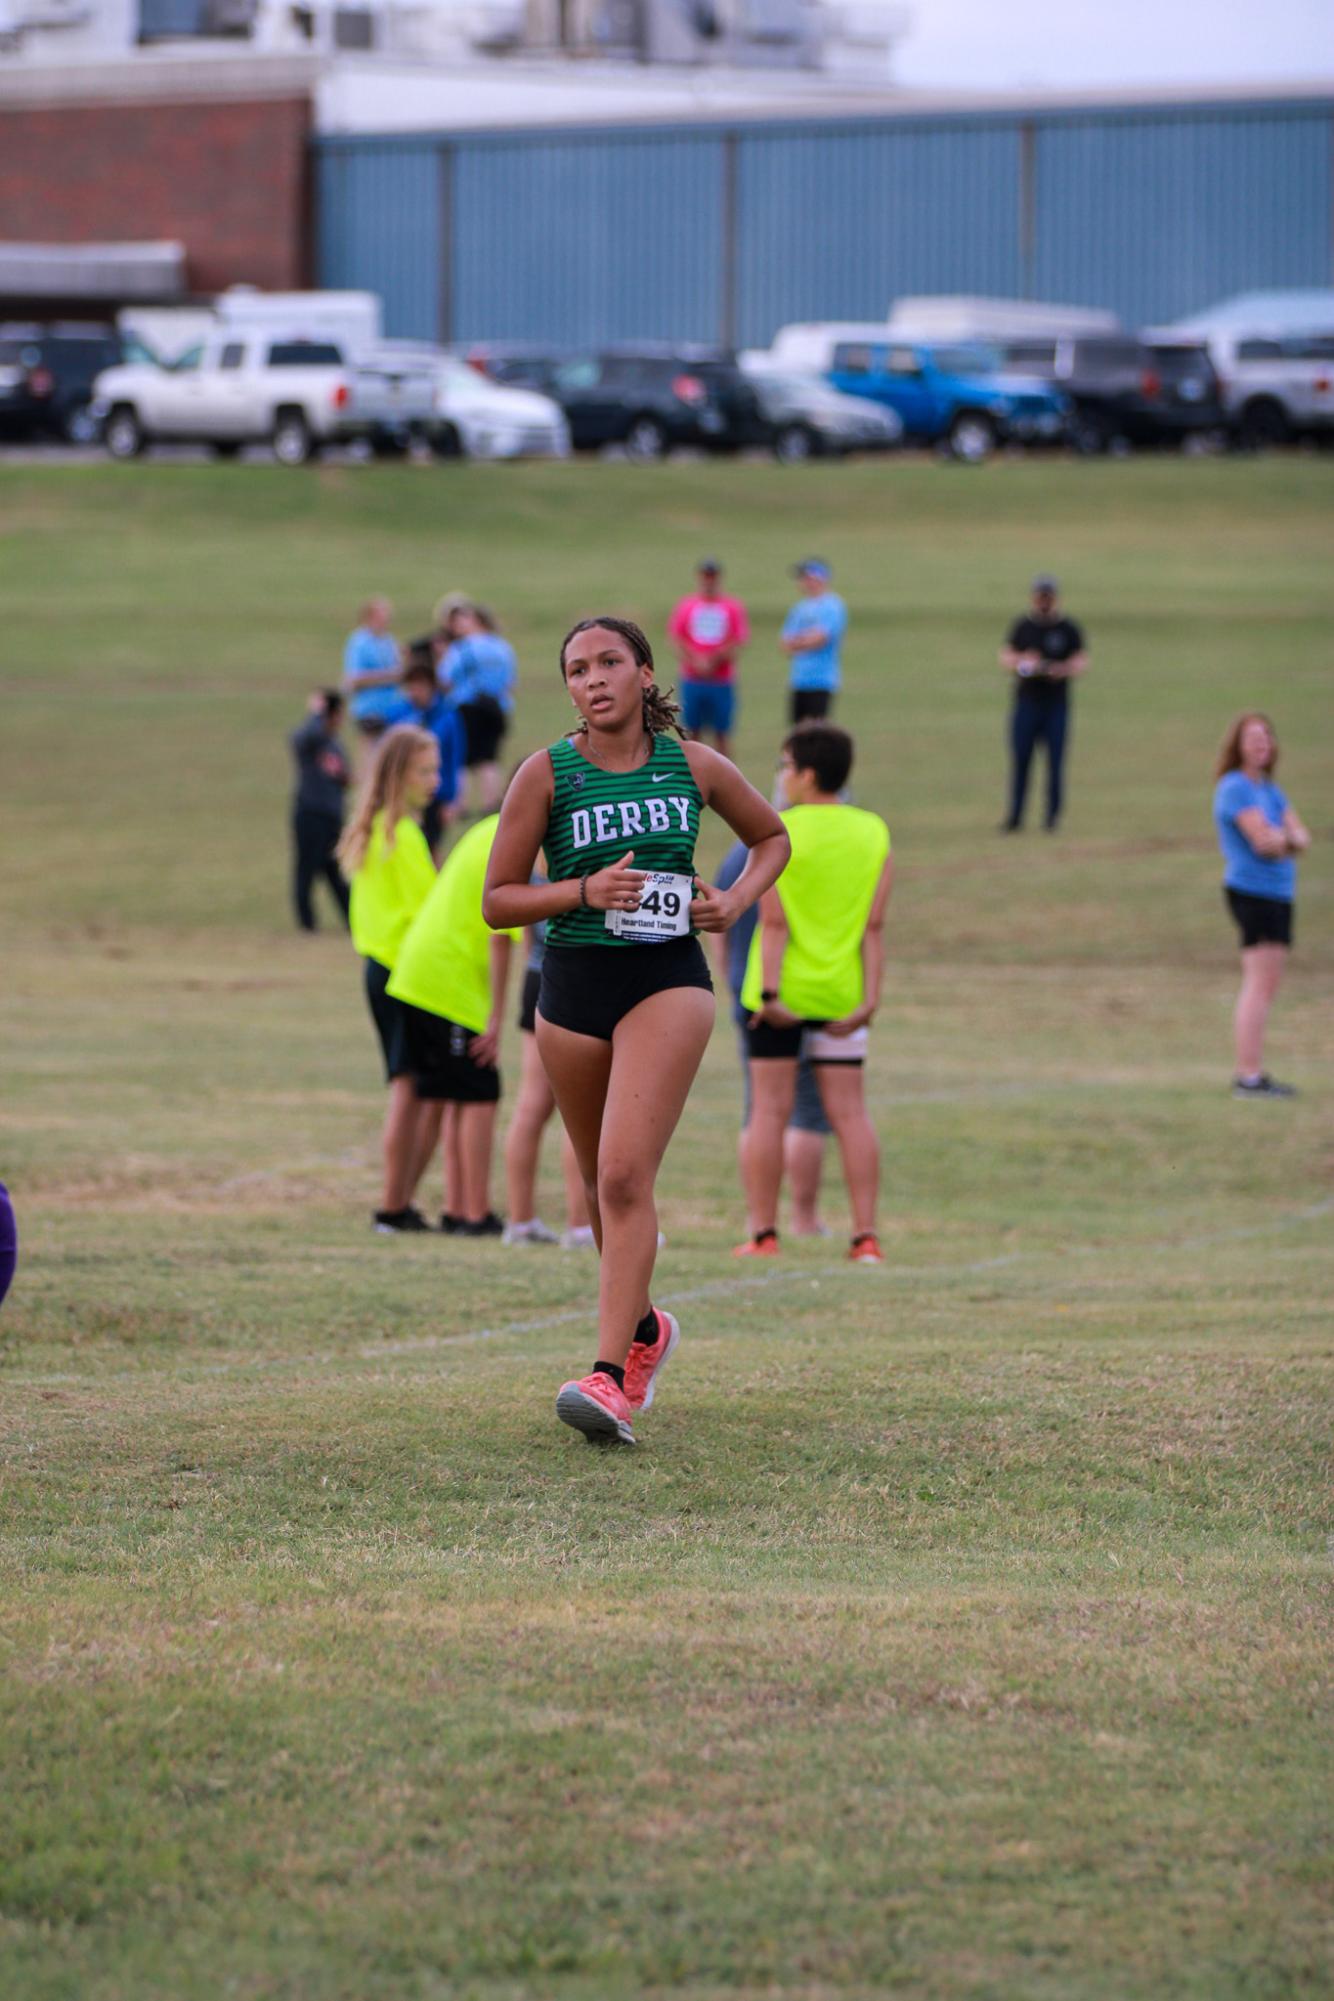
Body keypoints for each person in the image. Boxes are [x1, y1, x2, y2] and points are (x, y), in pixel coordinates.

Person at [482, 615, 790, 1447]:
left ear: (645, 672)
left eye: (610, 662)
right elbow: (498, 900)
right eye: (577, 669)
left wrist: (736, 900)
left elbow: (772, 837)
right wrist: (581, 892)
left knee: (623, 1177)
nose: (594, 679)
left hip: (666, 978)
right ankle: (645, 1330)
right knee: (596, 1187)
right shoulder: (544, 774)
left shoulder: (692, 764)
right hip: (571, 988)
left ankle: (610, 1379)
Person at [737, 723, 892, 1265]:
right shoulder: (873, 831)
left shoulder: (779, 829)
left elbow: (773, 923)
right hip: (842, 993)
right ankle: (865, 1236)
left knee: (768, 1112)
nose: (780, 777)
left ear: (806, 774)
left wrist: (772, 994)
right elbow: (874, 927)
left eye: (784, 766)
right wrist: (870, 999)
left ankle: (763, 1234)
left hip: (783, 993)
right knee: (850, 1114)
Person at [388, 813, 522, 1235]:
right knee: (479, 1092)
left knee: (459, 1093)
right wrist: (496, 1018)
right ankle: (474, 1214)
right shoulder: (510, 842)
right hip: (447, 981)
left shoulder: (491, 830)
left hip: (427, 973)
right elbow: (499, 936)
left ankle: (458, 1207)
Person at [336, 725, 441, 1234]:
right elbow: (431, 913)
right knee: (409, 1086)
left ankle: (399, 1202)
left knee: (411, 1085)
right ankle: (393, 1205)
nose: (435, 780)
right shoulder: (403, 835)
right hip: (405, 972)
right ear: (399, 775)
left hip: (380, 970)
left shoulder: (372, 827)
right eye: (425, 771)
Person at [713, 834, 831, 1239]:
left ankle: (760, 1221)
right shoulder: (798, 846)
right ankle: (804, 1218)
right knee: (807, 1111)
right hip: (805, 993)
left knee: (761, 1109)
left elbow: (717, 919)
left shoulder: (736, 855)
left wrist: (729, 974)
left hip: (748, 991)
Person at [1213, 712, 1310, 1098]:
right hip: (1252, 892)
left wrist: (1286, 838)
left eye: (1266, 737)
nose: (1261, 744)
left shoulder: (1270, 790)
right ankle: (1247, 1076)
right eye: (1252, 738)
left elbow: (1302, 837)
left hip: (1279, 892)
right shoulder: (1235, 787)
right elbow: (1264, 844)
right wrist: (1287, 839)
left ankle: (1253, 1072)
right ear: (1238, 745)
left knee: (1268, 986)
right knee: (1258, 984)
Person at [502, 918, 593, 1247]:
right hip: (574, 976)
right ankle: (583, 1225)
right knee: (585, 1104)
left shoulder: (531, 865)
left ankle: (521, 1221)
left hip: (538, 973)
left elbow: (527, 928)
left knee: (532, 1105)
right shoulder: (580, 865)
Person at [998, 573, 1088, 832]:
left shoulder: (1067, 628)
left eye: (1048, 596)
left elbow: (1081, 661)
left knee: (1055, 762)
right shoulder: (1023, 627)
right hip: (1027, 704)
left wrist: (1061, 669)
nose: (1044, 601)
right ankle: (1015, 817)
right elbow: (1006, 657)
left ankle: (1052, 817)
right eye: (1040, 596)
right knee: (1021, 760)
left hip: (1056, 705)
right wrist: (1025, 662)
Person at [383, 643, 466, 857]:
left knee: (431, 848)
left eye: (419, 686)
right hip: (404, 792)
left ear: (431, 686)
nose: (414, 692)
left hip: (435, 793)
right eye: (410, 686)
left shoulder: (447, 716)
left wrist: (452, 799)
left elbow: (455, 759)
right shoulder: (398, 714)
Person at [666, 557, 750, 757]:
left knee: (722, 732)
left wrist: (715, 659)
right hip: (693, 678)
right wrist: (694, 660)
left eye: (712, 576)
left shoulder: (731, 606)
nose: (709, 581)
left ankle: (727, 779)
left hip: (721, 679)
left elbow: (739, 640)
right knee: (692, 731)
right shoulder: (687, 605)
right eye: (705, 576)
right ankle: (694, 777)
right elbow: (675, 639)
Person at [441, 604, 518, 816]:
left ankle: (460, 804)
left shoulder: (461, 648)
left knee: (462, 758)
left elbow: (446, 678)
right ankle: (491, 802)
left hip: (467, 706)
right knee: (489, 757)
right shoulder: (502, 647)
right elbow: (511, 681)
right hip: (496, 707)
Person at [288, 688, 351, 932]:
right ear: (331, 715)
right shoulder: (311, 740)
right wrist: (316, 714)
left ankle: (353, 921)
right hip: (310, 814)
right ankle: (307, 924)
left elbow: (344, 777)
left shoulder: (335, 745)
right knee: (306, 869)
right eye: (338, 715)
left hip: (331, 817)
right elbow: (298, 739)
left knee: (336, 873)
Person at [780, 558, 847, 723]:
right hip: (799, 679)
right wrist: (804, 640)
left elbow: (820, 638)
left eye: (805, 577)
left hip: (821, 680)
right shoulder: (799, 608)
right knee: (798, 731)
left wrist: (798, 641)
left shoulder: (832, 605)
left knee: (818, 729)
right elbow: (785, 644)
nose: (801, 582)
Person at [342, 597, 403, 750]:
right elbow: (354, 679)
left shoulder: (388, 640)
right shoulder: (359, 641)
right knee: (371, 757)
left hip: (391, 709)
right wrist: (388, 676)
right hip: (369, 709)